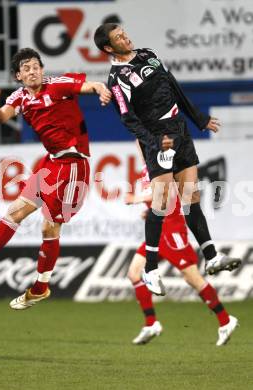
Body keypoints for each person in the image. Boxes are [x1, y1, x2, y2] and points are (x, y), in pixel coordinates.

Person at [0, 48, 111, 310]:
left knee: (49, 228)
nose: (32, 71)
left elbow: (90, 85)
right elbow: (0, 118)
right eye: (26, 68)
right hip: (51, 163)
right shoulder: (20, 97)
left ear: (42, 70)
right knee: (14, 212)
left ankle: (41, 287)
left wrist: (100, 89)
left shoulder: (57, 85)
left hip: (73, 164)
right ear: (18, 76)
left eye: (36, 66)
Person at [94, 24, 241, 295]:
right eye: (118, 38)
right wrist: (154, 143)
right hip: (158, 138)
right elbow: (128, 120)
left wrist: (199, 119)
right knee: (161, 204)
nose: (126, 37)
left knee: (191, 198)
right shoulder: (117, 80)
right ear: (108, 48)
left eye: (125, 33)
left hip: (180, 130)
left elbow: (173, 87)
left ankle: (212, 257)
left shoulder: (148, 54)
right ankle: (151, 270)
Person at [125, 163, 238, 346]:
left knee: (192, 279)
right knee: (134, 273)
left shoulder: (163, 161)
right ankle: (151, 323)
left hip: (172, 232)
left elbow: (167, 191)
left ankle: (225, 320)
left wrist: (136, 198)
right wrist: (149, 212)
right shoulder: (149, 163)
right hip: (158, 233)